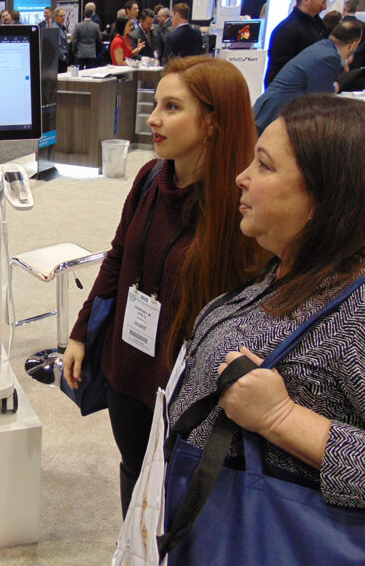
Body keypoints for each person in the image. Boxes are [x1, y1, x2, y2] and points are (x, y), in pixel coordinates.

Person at [169, 94, 365, 527]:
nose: (242, 177)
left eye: (265, 166)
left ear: (328, 192)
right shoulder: (300, 261)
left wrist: (283, 419)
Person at [63, 57, 261, 516]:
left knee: (181, 497)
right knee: (135, 476)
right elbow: (118, 257)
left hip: (189, 387)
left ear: (213, 122)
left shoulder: (242, 203)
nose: (153, 119)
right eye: (157, 105)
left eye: (172, 107)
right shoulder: (151, 177)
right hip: (127, 367)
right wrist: (79, 332)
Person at [253, 19, 363, 133]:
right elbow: (319, 101)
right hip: (275, 115)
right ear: (353, 45)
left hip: (269, 109)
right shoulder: (330, 57)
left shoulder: (322, 47)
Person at [264, 0, 329, 87]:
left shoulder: (318, 23)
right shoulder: (286, 30)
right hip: (294, 96)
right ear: (306, 0)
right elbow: (280, 72)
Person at [72, 5, 102, 69]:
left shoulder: (78, 26)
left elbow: (74, 40)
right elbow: (99, 40)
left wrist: (74, 51)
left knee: (79, 73)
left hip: (80, 53)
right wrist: (97, 51)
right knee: (90, 73)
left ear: (84, 14)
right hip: (92, 53)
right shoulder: (96, 26)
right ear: (92, 15)